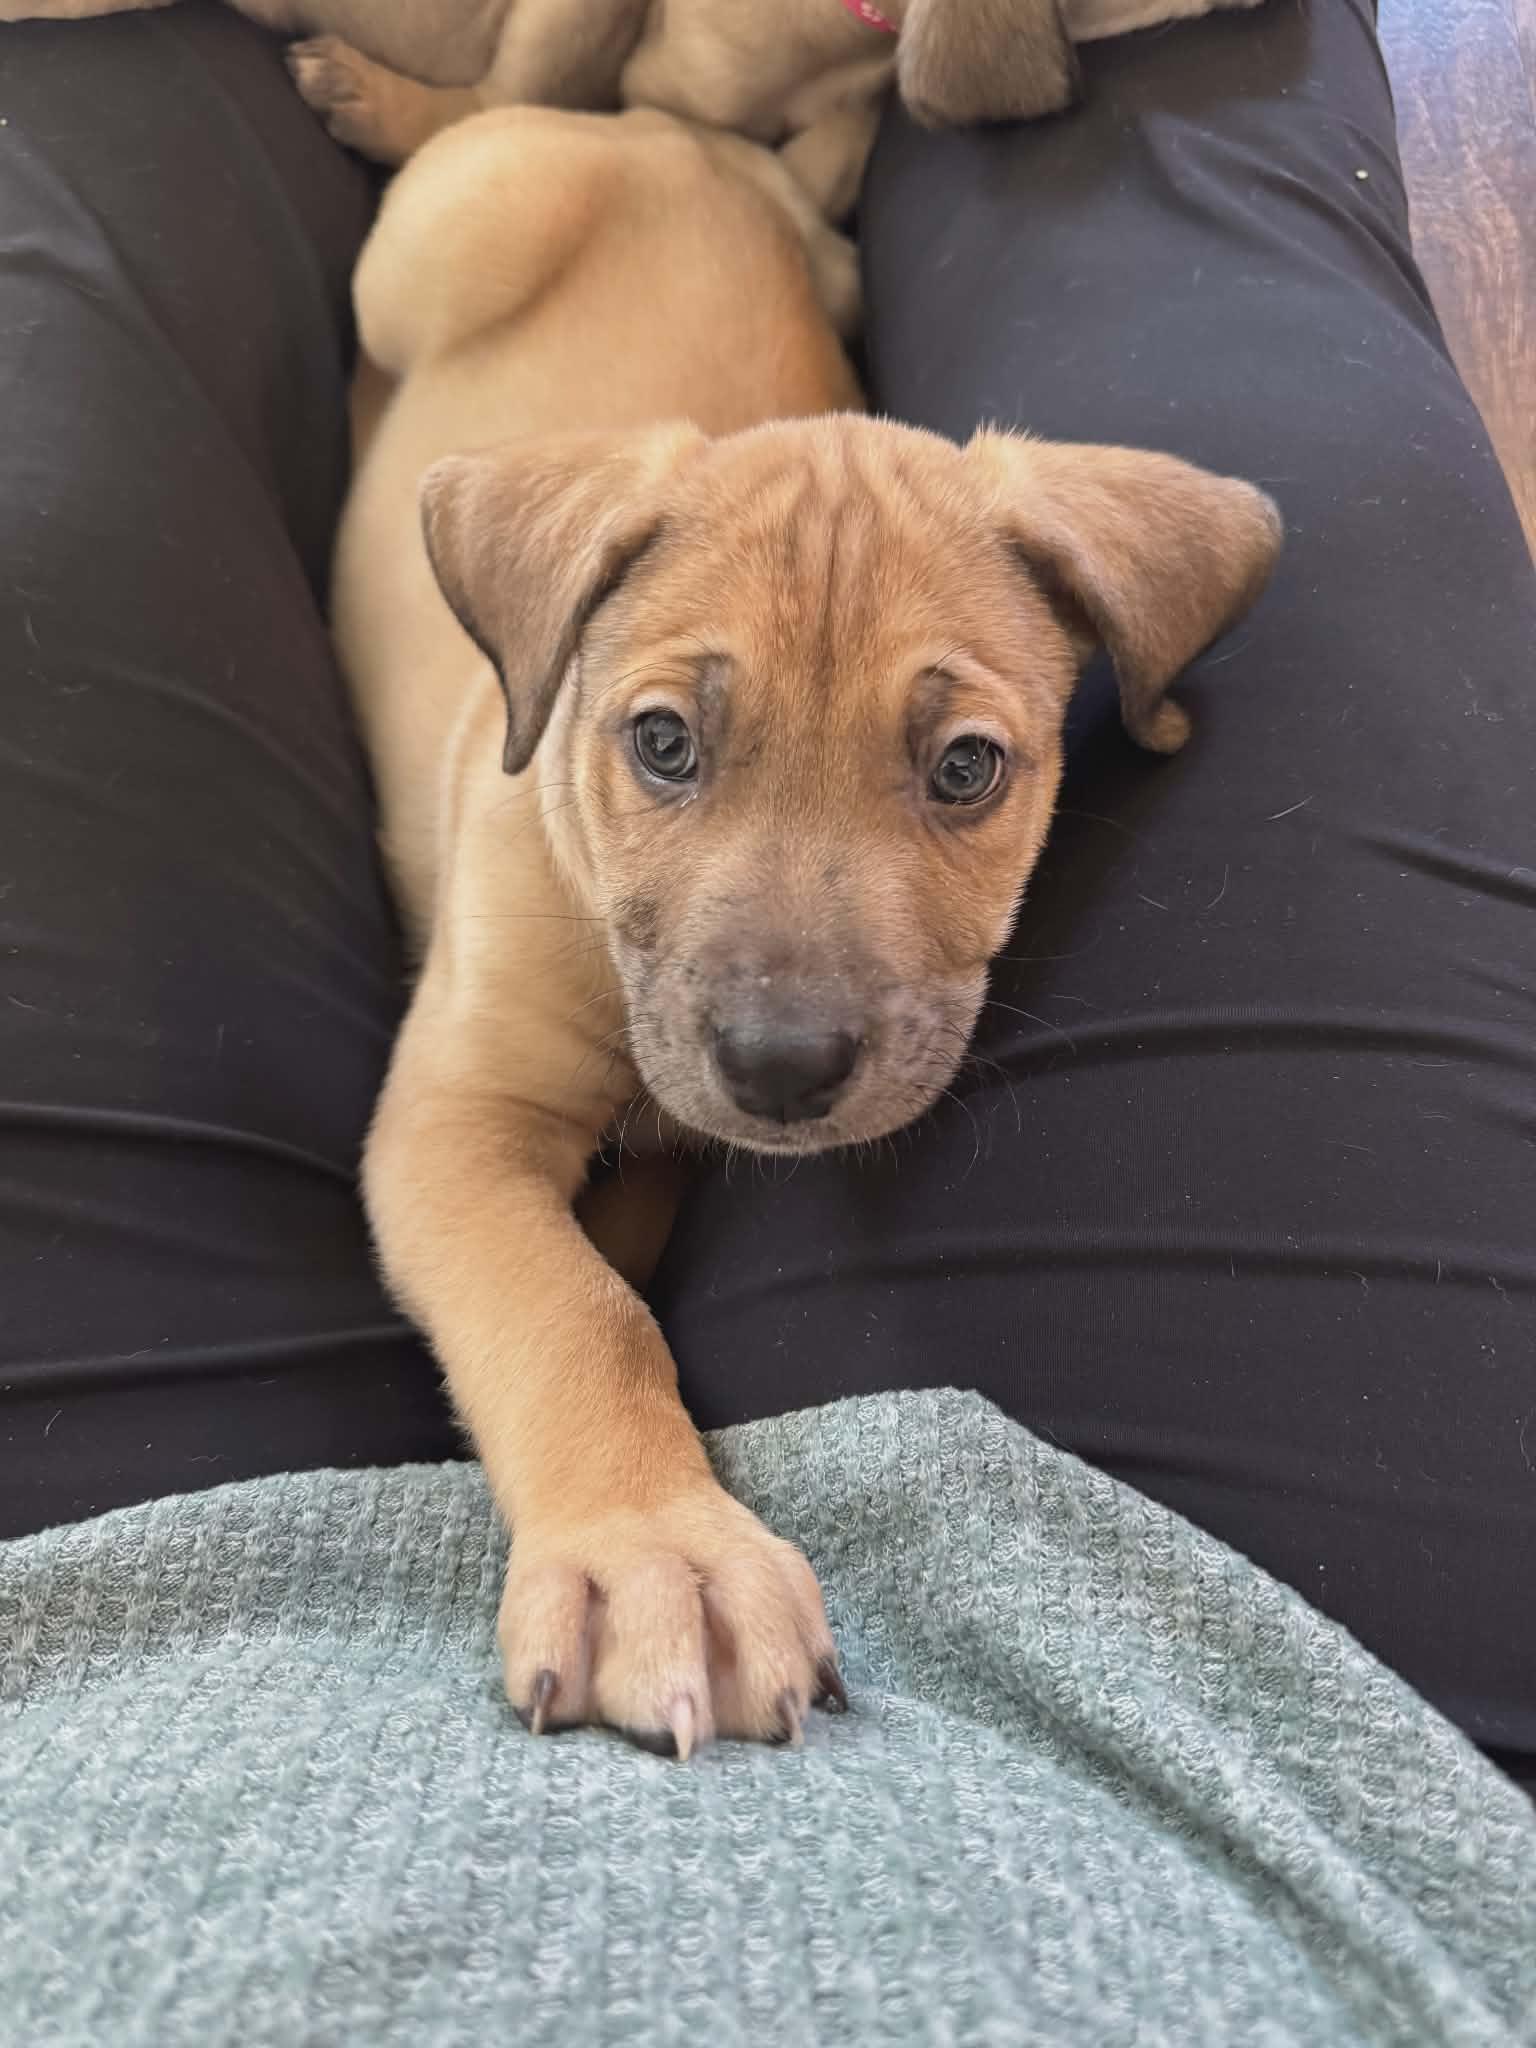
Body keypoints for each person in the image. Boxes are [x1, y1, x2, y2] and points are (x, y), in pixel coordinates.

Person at [2, 0, 1531, 1790]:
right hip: (561, 224)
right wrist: (613, 1460)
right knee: (433, 247)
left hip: (731, 262)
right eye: (667, 745)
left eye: (959, 771)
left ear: (1111, 668)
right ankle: (445, 126)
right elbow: (452, 1146)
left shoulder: (1043, 560)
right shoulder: (574, 618)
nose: (791, 1005)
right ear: (561, 658)